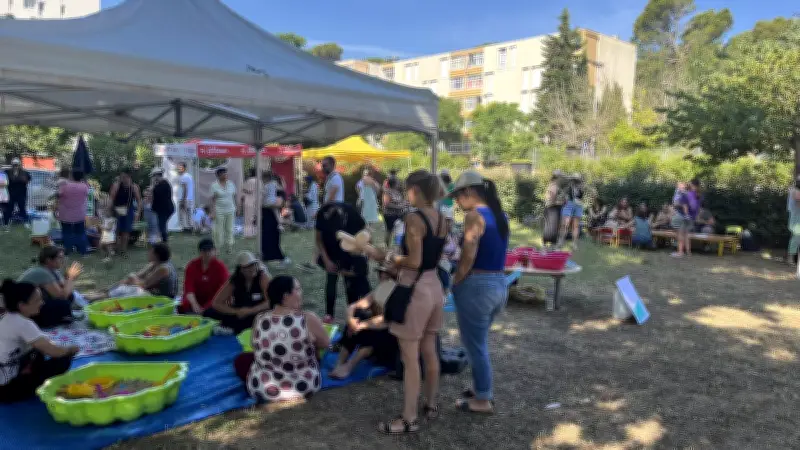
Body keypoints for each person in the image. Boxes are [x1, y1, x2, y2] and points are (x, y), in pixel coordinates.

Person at [360, 170, 446, 434]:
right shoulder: (443, 218)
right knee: (430, 350)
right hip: (435, 287)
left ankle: (408, 418)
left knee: (410, 358)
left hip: (416, 288)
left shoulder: (413, 218)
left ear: (415, 191)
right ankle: (430, 404)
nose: (406, 194)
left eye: (408, 190)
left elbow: (414, 261)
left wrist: (388, 257)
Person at [449, 171, 509, 415]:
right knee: (479, 342)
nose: (456, 203)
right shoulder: (499, 214)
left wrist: (456, 281)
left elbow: (468, 255)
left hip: (477, 286)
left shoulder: (474, 216)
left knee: (475, 345)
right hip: (498, 284)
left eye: (457, 197)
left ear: (469, 192)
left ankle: (483, 398)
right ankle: (479, 388)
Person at [234, 276, 329, 403]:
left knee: (243, 360)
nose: (301, 293)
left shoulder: (260, 318)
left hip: (263, 388)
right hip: (304, 386)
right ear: (285, 296)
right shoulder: (307, 318)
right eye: (298, 289)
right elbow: (326, 344)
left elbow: (254, 345)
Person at [0, 280, 77, 403]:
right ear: (22, 305)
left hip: (6, 376)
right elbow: (53, 351)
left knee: (37, 352)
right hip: (6, 390)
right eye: (37, 300)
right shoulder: (24, 324)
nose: (42, 303)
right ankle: (29, 386)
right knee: (63, 360)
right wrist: (71, 350)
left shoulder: (7, 317)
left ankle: (25, 374)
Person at [330, 266, 399, 379]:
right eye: (381, 273)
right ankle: (339, 363)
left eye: (385, 273)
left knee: (374, 333)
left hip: (390, 340)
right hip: (375, 330)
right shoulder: (378, 291)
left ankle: (349, 366)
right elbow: (354, 306)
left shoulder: (398, 295)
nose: (381, 276)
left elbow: (386, 320)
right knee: (357, 316)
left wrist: (361, 325)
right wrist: (351, 319)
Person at [314, 202, 372, 323]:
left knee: (351, 283)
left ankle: (354, 313)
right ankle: (329, 314)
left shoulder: (352, 214)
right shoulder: (322, 214)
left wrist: (365, 252)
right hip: (330, 250)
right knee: (331, 279)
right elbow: (319, 239)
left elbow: (366, 234)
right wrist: (327, 260)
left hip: (350, 250)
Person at [204, 251, 271, 334]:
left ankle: (231, 328)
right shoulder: (235, 280)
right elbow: (216, 303)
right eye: (248, 267)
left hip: (257, 311)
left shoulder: (263, 277)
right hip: (239, 311)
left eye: (253, 265)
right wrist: (236, 311)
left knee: (259, 318)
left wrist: (250, 310)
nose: (251, 268)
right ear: (241, 269)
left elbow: (270, 301)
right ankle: (232, 328)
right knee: (209, 312)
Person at [18, 246, 83, 329]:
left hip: (34, 305)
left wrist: (68, 277)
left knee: (70, 297)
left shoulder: (53, 271)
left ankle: (61, 319)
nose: (63, 260)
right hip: (24, 311)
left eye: (63, 257)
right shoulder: (42, 272)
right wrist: (70, 278)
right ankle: (53, 323)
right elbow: (62, 296)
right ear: (48, 260)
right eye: (60, 258)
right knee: (63, 303)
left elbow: (66, 290)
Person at [180, 239, 229, 314]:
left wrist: (205, 307)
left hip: (213, 299)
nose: (207, 253)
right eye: (204, 250)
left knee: (214, 309)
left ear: (215, 251)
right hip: (196, 298)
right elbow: (188, 288)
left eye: (209, 250)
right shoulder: (192, 266)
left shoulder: (220, 268)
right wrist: (194, 304)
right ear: (200, 252)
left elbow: (223, 290)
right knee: (183, 305)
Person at [109, 169, 142, 257]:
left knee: (126, 231)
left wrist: (138, 213)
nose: (123, 179)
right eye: (122, 177)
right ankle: (115, 248)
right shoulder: (116, 186)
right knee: (115, 230)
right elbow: (111, 199)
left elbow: (139, 201)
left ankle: (123, 250)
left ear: (129, 177)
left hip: (128, 209)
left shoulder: (134, 187)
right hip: (117, 209)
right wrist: (109, 210)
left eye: (125, 177)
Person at [56, 170, 90, 256]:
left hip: (65, 214)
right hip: (79, 214)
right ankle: (82, 251)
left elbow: (58, 194)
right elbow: (86, 194)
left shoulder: (64, 186)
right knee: (81, 232)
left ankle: (68, 251)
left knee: (66, 233)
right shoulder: (84, 186)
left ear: (72, 176)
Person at [261, 171, 291, 267]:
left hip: (270, 212)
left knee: (272, 237)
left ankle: (280, 257)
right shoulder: (272, 186)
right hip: (267, 214)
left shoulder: (273, 188)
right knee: (266, 237)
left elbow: (279, 203)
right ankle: (267, 256)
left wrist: (264, 203)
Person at [210, 167, 237, 254]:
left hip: (230, 209)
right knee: (218, 230)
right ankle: (217, 247)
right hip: (219, 210)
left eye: (226, 173)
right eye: (223, 174)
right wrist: (213, 212)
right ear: (218, 175)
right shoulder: (214, 185)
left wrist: (238, 207)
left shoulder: (231, 184)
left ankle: (229, 246)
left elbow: (234, 196)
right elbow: (212, 200)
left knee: (229, 229)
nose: (225, 175)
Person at [673, 179, 701, 258]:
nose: (687, 185)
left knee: (680, 234)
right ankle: (688, 252)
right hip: (692, 217)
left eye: (689, 184)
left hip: (684, 216)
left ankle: (680, 252)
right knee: (687, 234)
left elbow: (682, 204)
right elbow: (697, 208)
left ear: (692, 185)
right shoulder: (698, 195)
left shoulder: (686, 194)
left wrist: (685, 213)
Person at [150, 168, 175, 243]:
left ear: (157, 176)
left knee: (161, 225)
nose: (153, 178)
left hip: (165, 209)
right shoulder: (161, 184)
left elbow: (157, 194)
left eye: (154, 176)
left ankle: (164, 241)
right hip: (163, 209)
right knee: (162, 225)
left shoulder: (164, 184)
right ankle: (164, 240)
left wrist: (153, 186)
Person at [382, 176, 408, 248]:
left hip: (399, 214)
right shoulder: (387, 192)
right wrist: (399, 206)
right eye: (397, 182)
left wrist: (405, 203)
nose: (399, 184)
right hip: (390, 215)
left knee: (400, 230)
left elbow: (401, 201)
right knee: (389, 231)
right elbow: (386, 204)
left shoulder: (397, 192)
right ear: (393, 183)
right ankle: (387, 246)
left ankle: (399, 245)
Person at [559, 173, 584, 246]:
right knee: (565, 224)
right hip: (569, 204)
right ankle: (561, 240)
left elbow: (580, 195)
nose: (576, 180)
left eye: (577, 179)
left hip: (578, 205)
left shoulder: (581, 186)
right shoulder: (569, 185)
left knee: (575, 226)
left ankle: (574, 243)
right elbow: (564, 178)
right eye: (575, 179)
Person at [4, 158, 30, 225]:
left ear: (19, 165)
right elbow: (4, 181)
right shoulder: (7, 172)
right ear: (12, 165)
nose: (16, 166)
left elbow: (27, 180)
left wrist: (20, 180)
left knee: (22, 209)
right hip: (10, 194)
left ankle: (25, 223)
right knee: (9, 209)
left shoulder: (25, 172)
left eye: (17, 165)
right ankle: (6, 223)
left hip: (21, 194)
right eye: (14, 165)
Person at [542, 170, 564, 246]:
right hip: (552, 209)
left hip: (550, 208)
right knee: (552, 227)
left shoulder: (552, 184)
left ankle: (547, 244)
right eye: (561, 177)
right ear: (558, 177)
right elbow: (552, 200)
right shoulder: (554, 185)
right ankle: (550, 244)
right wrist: (561, 202)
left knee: (549, 226)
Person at [240, 168, 259, 238]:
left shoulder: (248, 181)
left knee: (248, 219)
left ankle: (248, 234)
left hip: (249, 202)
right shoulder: (260, 181)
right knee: (257, 218)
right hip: (258, 201)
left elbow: (244, 191)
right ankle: (257, 232)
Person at [177, 162, 194, 232]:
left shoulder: (184, 177)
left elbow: (185, 189)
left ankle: (184, 228)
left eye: (180, 167)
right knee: (188, 213)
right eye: (178, 167)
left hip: (184, 198)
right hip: (189, 198)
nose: (179, 169)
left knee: (182, 213)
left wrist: (183, 200)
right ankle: (190, 227)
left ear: (184, 168)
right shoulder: (189, 176)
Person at [787, 176, 800, 264]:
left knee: (796, 239)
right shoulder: (796, 191)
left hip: (795, 219)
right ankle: (790, 259)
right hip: (797, 220)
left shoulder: (793, 190)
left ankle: (792, 259)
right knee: (796, 239)